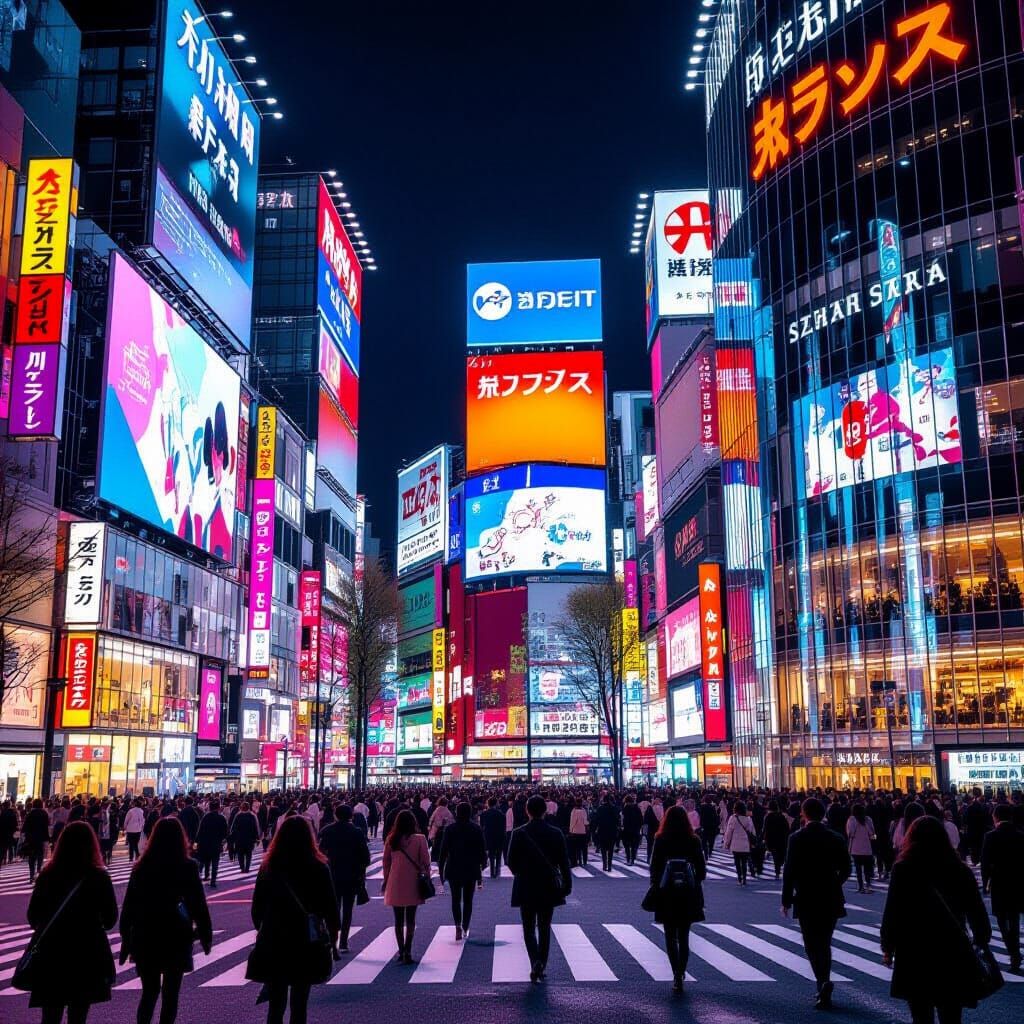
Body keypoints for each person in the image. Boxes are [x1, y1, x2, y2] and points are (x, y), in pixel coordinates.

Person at [881, 815, 993, 1024]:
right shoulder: (960, 870)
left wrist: (888, 946)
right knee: (951, 1012)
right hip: (951, 947)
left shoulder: (903, 869)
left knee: (920, 1013)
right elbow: (976, 911)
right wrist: (981, 939)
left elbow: (893, 911)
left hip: (915, 948)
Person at [246, 816, 340, 1024]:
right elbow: (330, 907)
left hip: (275, 937)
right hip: (305, 939)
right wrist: (332, 937)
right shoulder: (318, 867)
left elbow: (257, 908)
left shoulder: (269, 867)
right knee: (300, 1003)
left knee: (275, 1004)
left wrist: (263, 928)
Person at [119, 817, 213, 1024]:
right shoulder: (187, 866)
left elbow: (129, 907)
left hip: (146, 933)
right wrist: (206, 935)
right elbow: (198, 905)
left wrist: (126, 939)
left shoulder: (141, 867)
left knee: (149, 991)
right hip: (176, 935)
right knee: (171, 993)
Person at [24, 821, 118, 1024]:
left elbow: (33, 916)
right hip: (86, 952)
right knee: (78, 1014)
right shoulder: (99, 877)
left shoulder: (48, 875)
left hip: (52, 952)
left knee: (50, 1015)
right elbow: (110, 919)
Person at [781, 797, 852, 1010]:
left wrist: (786, 900)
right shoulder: (836, 838)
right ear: (824, 814)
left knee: (811, 943)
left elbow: (789, 871)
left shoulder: (796, 838)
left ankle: (822, 982)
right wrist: (835, 882)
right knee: (825, 941)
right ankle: (824, 981)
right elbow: (847, 868)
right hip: (830, 896)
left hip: (806, 896)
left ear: (804, 814)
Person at [507, 794, 573, 983]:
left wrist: (521, 872)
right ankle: (541, 964)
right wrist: (567, 884)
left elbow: (510, 861)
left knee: (528, 928)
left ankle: (534, 960)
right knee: (544, 927)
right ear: (545, 811)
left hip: (526, 884)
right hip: (548, 884)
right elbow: (564, 861)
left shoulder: (519, 833)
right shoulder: (556, 833)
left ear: (527, 811)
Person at [647, 805, 707, 993]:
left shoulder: (661, 839)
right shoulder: (693, 840)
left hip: (667, 894)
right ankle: (681, 971)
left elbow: (654, 867)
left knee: (670, 936)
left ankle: (676, 974)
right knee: (684, 936)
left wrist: (656, 885)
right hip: (688, 894)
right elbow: (702, 871)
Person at [318, 804, 370, 953]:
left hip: (331, 874)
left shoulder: (327, 831)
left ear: (335, 815)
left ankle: (332, 940)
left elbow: (320, 853)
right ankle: (343, 942)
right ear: (351, 816)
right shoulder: (357, 832)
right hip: (351, 875)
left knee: (332, 909)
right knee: (347, 910)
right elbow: (365, 857)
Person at [382, 808, 431, 964]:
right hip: (413, 881)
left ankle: (401, 950)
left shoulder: (392, 839)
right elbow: (425, 861)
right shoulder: (420, 839)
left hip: (395, 880)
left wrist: (386, 879)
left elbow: (386, 862)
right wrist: (427, 875)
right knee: (411, 918)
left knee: (398, 919)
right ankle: (408, 950)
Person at [981, 803, 1024, 972]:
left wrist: (985, 883)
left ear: (995, 817)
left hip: (999, 882)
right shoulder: (1020, 835)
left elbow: (985, 863)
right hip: (1017, 882)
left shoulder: (990, 836)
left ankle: (1013, 951)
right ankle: (1015, 952)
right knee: (1014, 918)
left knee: (1001, 918)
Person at [438, 801, 487, 940]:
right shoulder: (476, 829)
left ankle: (457, 925)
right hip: (471, 867)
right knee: (468, 900)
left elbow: (443, 851)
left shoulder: (450, 829)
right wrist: (482, 865)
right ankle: (466, 925)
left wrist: (441, 870)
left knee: (455, 899)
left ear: (456, 813)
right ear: (470, 813)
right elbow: (482, 850)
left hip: (454, 867)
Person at [195, 799, 228, 888]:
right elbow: (225, 832)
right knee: (215, 862)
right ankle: (213, 880)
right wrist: (223, 840)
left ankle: (206, 875)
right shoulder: (221, 818)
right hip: (216, 843)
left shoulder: (205, 817)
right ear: (218, 807)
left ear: (210, 807)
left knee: (206, 860)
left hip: (205, 843)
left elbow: (200, 831)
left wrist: (197, 842)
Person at [846, 803, 877, 893]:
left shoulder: (851, 820)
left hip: (855, 848)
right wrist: (875, 839)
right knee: (867, 868)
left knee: (858, 869)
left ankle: (860, 887)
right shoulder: (868, 819)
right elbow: (872, 833)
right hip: (867, 847)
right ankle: (868, 886)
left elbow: (850, 833)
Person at [723, 800, 755, 885]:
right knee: (744, 862)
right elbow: (751, 831)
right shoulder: (748, 819)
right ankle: (744, 878)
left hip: (735, 843)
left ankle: (739, 878)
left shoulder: (733, 818)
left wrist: (726, 843)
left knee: (737, 862)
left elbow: (729, 832)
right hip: (745, 844)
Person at [22, 797, 50, 883]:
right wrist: (47, 837)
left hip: (31, 838)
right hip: (41, 837)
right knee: (40, 854)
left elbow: (25, 827)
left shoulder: (30, 813)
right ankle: (38, 870)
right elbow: (46, 826)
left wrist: (24, 836)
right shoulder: (44, 813)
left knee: (31, 857)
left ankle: (31, 875)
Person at [762, 800, 791, 879]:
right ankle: (779, 866)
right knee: (780, 854)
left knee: (775, 855)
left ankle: (777, 870)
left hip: (771, 838)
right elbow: (787, 828)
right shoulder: (781, 816)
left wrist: (763, 838)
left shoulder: (768, 817)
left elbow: (765, 829)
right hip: (781, 838)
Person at [230, 801, 261, 874]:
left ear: (241, 808)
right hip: (249, 839)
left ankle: (242, 867)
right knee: (248, 854)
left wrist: (233, 837)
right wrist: (257, 838)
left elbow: (233, 828)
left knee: (240, 854)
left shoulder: (238, 816)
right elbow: (255, 827)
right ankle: (247, 868)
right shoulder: (252, 816)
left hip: (239, 839)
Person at [591, 794, 619, 873]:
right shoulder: (614, 808)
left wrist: (595, 829)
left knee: (603, 849)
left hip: (602, 830)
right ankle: (609, 865)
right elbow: (617, 820)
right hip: (612, 831)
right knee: (610, 849)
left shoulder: (600, 808)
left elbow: (596, 820)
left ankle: (604, 864)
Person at [480, 797, 506, 878]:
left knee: (491, 854)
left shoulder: (484, 814)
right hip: (499, 836)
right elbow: (503, 827)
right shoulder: (501, 814)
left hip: (488, 836)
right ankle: (497, 871)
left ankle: (492, 872)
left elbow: (481, 826)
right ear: (496, 804)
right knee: (498, 855)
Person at [621, 795, 643, 866]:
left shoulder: (625, 809)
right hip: (635, 830)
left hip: (627, 830)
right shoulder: (637, 808)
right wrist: (639, 827)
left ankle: (628, 859)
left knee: (627, 846)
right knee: (634, 846)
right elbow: (641, 820)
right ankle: (632, 860)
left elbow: (623, 819)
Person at [568, 798, 590, 867]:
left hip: (574, 831)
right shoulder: (583, 810)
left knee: (575, 848)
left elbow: (572, 822)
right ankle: (585, 861)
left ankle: (576, 861)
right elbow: (585, 821)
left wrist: (570, 830)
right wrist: (587, 827)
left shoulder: (573, 811)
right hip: (582, 831)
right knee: (584, 848)